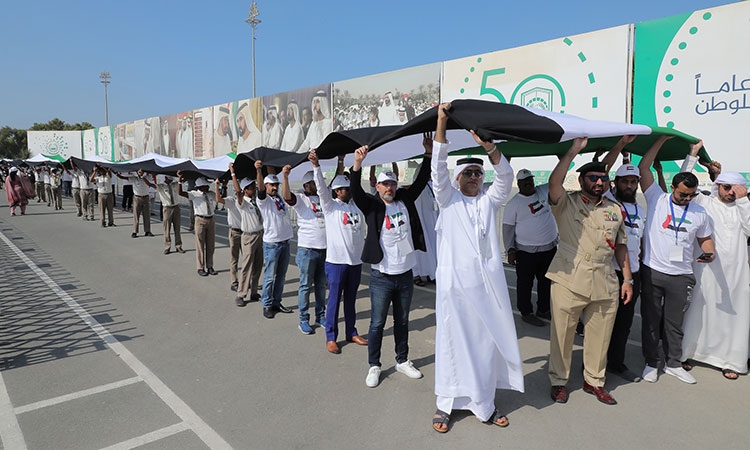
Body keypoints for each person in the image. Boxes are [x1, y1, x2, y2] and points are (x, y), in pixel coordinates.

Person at [430, 103, 523, 433]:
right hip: (454, 289)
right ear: (457, 179)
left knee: (485, 346)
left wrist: (490, 150)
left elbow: (506, 177)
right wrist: (441, 121)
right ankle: (447, 404)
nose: (473, 177)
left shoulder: (489, 200)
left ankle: (485, 403)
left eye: (477, 173)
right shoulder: (447, 199)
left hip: (486, 289)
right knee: (452, 343)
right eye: (467, 173)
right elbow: (437, 169)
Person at [546, 137, 633, 406]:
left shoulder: (615, 209)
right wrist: (574, 151)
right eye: (593, 178)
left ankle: (594, 380)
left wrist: (627, 279)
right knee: (562, 334)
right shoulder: (567, 203)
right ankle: (559, 381)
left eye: (603, 179)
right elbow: (554, 183)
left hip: (605, 280)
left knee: (601, 334)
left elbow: (621, 245)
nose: (599, 182)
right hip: (568, 278)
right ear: (581, 179)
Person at [350, 138, 431, 388]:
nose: (389, 188)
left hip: (405, 274)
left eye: (392, 184)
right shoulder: (372, 205)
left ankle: (402, 360)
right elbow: (355, 191)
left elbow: (420, 182)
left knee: (403, 321)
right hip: (382, 276)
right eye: (385, 184)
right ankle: (374, 365)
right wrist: (357, 165)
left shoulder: (404, 200)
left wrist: (428, 155)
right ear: (377, 186)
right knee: (377, 323)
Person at [637, 138, 715, 384]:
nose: (686, 199)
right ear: (672, 187)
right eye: (682, 194)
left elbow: (705, 240)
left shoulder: (699, 213)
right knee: (650, 321)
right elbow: (643, 167)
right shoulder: (656, 199)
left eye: (691, 195)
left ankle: (673, 363)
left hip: (681, 276)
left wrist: (709, 251)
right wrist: (659, 140)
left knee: (674, 324)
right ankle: (651, 363)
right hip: (653, 272)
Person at [679, 153, 750, 380]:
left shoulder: (743, 207)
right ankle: (689, 353)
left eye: (736, 189)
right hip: (707, 271)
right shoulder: (705, 202)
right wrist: (692, 155)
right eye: (727, 187)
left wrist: (743, 200)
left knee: (733, 316)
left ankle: (730, 361)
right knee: (700, 311)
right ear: (718, 186)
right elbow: (685, 179)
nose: (731, 192)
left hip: (737, 275)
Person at [308, 149, 366, 354]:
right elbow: (322, 189)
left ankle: (351, 331)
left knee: (350, 300)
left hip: (355, 262)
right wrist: (316, 166)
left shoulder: (357, 207)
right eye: (343, 189)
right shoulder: (330, 207)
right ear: (336, 191)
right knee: (334, 300)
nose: (347, 191)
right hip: (336, 262)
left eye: (348, 188)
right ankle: (331, 336)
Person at [502, 168, 558, 327]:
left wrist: (563, 160)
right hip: (526, 252)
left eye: (531, 180)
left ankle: (543, 310)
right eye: (525, 181)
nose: (529, 183)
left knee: (546, 282)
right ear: (518, 184)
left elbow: (558, 179)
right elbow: (507, 229)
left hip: (549, 248)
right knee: (525, 284)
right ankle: (526, 312)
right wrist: (510, 250)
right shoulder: (514, 204)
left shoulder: (542, 191)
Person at [281, 166, 327, 334]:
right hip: (307, 250)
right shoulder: (301, 199)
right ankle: (303, 319)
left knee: (321, 286)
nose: (318, 184)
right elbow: (287, 197)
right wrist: (285, 177)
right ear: (307, 185)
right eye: (314, 182)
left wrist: (341, 162)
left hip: (324, 250)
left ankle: (321, 316)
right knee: (306, 286)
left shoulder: (322, 198)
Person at [254, 160, 294, 319]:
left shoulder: (278, 197)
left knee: (281, 275)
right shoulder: (263, 200)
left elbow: (282, 188)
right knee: (270, 276)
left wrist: (282, 175)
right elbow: (261, 190)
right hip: (272, 243)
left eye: (275, 184)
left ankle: (277, 302)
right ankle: (267, 304)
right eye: (271, 185)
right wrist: (259, 171)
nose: (274, 187)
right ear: (265, 185)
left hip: (285, 242)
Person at [223, 164, 264, 307]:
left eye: (254, 186)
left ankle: (253, 292)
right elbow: (238, 191)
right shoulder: (242, 202)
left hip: (259, 235)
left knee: (258, 265)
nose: (255, 189)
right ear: (246, 190)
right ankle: (241, 294)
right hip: (248, 237)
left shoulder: (256, 201)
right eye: (252, 187)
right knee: (246, 266)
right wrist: (233, 173)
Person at [178, 173, 217, 277]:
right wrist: (179, 181)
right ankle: (200, 267)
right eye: (206, 185)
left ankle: (210, 266)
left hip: (211, 219)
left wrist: (223, 186)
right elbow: (180, 193)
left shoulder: (210, 193)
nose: (208, 186)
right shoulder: (194, 194)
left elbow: (220, 197)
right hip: (200, 219)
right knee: (200, 244)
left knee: (210, 245)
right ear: (200, 186)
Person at [412, 156, 439, 286]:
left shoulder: (433, 186)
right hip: (420, 224)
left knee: (433, 249)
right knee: (420, 251)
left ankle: (431, 273)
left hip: (432, 224)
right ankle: (416, 274)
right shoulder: (417, 188)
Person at [146, 175, 184, 255]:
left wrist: (180, 176)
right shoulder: (161, 186)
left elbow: (183, 181)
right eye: (170, 180)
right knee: (167, 228)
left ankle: (178, 246)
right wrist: (142, 177)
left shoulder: (175, 184)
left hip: (176, 207)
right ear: (166, 179)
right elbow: (150, 184)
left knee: (177, 228)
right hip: (167, 208)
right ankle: (167, 247)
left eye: (171, 180)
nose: (171, 181)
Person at [117, 169, 153, 238]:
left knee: (146, 215)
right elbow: (122, 177)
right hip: (137, 198)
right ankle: (135, 231)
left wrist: (143, 177)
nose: (140, 172)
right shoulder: (134, 178)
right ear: (137, 172)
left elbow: (150, 182)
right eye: (139, 171)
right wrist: (116, 173)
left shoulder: (147, 177)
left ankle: (147, 231)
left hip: (145, 197)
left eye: (141, 171)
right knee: (136, 215)